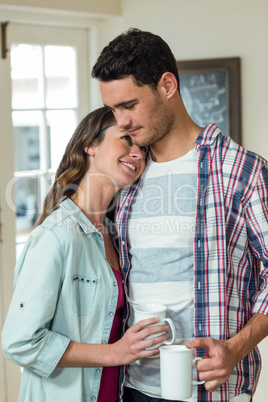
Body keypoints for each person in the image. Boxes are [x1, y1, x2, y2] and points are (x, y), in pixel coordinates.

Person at [91, 28, 268, 402]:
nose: (120, 121)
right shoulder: (126, 176)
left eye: (129, 105)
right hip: (133, 387)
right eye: (112, 109)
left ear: (167, 85)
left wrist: (236, 347)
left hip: (213, 390)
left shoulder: (241, 171)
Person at [1, 106, 171, 402]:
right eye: (126, 139)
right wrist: (115, 353)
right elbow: (20, 342)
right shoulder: (58, 235)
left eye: (142, 148)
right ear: (90, 145)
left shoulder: (114, 232)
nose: (138, 153)